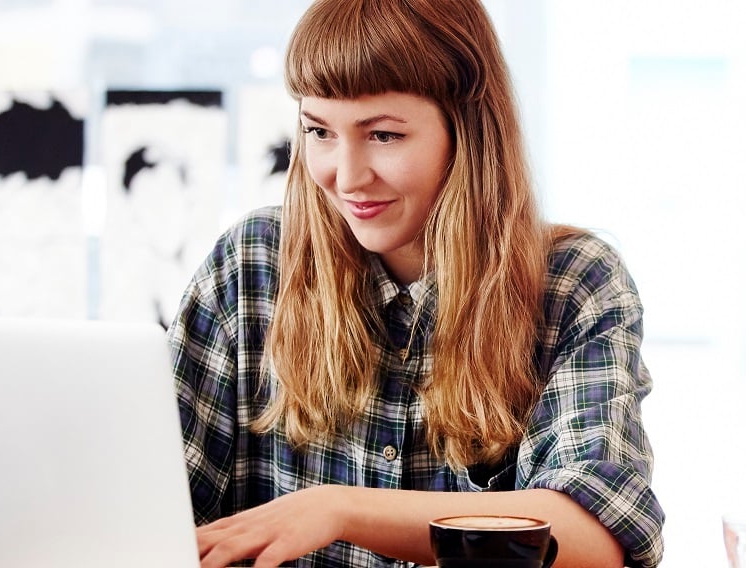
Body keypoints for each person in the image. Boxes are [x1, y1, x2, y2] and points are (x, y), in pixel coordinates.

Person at [166, 1, 664, 566]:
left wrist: (340, 511)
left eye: (383, 135)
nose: (347, 177)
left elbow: (596, 538)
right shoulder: (249, 265)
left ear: (466, 131)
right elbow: (152, 508)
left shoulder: (576, 284)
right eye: (319, 131)